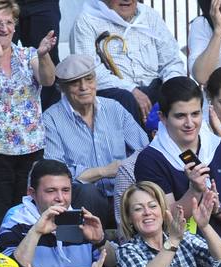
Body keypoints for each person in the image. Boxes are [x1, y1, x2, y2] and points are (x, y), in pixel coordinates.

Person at [0, 0, 56, 228]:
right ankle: (1, 264)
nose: (4, 28)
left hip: (31, 149)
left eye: (9, 22)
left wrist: (44, 55)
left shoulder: (29, 54)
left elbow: (48, 80)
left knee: (28, 215)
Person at [134, 77, 221, 254]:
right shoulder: (150, 158)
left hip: (218, 254)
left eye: (195, 114)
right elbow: (165, 218)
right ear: (163, 117)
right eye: (180, 116)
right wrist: (195, 191)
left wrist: (218, 207)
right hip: (173, 258)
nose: (190, 123)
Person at [43, 55, 148, 224]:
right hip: (82, 199)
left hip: (122, 191)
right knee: (87, 191)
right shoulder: (51, 119)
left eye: (89, 79)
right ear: (62, 88)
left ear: (96, 80)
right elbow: (54, 172)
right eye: (75, 82)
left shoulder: (113, 108)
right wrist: (104, 171)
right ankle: (92, 246)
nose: (84, 87)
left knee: (143, 185)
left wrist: (126, 168)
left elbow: (144, 149)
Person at [66, 0, 185, 126]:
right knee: (125, 99)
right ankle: (140, 145)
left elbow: (171, 60)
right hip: (116, 91)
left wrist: (173, 88)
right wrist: (132, 90)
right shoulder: (86, 20)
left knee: (182, 89)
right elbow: (89, 71)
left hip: (153, 86)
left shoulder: (149, 15)